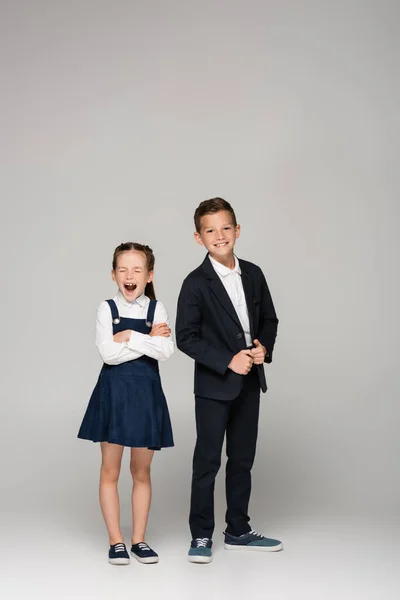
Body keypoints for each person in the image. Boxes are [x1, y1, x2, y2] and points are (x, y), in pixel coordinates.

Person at [176, 198, 283, 563]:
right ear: (198, 237)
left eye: (225, 228)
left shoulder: (253, 273)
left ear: (237, 231)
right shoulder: (195, 283)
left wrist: (261, 348)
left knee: (242, 460)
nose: (219, 236)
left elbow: (269, 320)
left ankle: (238, 529)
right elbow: (185, 336)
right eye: (210, 230)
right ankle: (201, 536)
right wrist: (228, 360)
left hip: (250, 383)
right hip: (213, 387)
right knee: (207, 461)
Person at [78, 242, 174, 565]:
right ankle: (116, 540)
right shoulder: (106, 309)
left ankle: (139, 540)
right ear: (113, 274)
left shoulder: (156, 309)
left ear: (149, 275)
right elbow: (107, 354)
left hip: (146, 396)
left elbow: (166, 351)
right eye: (123, 270)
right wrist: (148, 339)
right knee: (110, 469)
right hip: (114, 396)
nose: (129, 276)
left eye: (137, 270)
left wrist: (129, 337)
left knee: (141, 471)